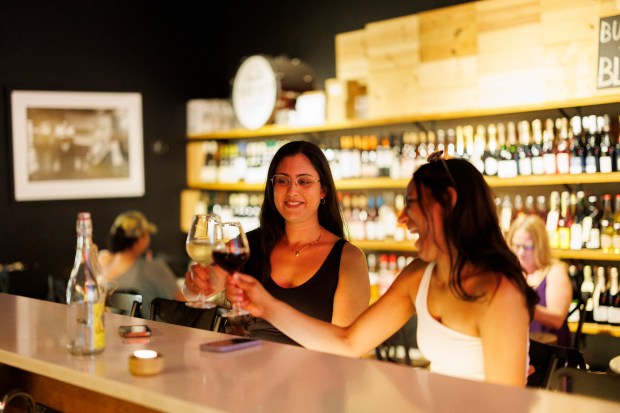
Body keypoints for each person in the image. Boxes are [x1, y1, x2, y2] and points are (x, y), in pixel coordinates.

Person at [228, 150, 539, 387]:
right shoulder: (419, 275)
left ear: (449, 202)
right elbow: (347, 342)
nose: (402, 219)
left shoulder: (499, 292)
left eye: (412, 203)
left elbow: (506, 406)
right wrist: (265, 305)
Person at [184, 140, 370, 345]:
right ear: (272, 187)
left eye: (304, 181)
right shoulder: (248, 244)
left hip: (316, 375)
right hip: (248, 371)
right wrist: (195, 284)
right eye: (283, 181)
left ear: (323, 190)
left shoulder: (348, 259)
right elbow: (198, 289)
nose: (292, 191)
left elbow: (345, 348)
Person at [99, 210, 183, 318]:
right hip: (153, 333)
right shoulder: (152, 268)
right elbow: (182, 304)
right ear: (141, 239)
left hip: (109, 332)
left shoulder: (100, 268)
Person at [506, 214, 572, 347]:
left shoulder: (554, 271)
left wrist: (523, 306)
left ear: (541, 246)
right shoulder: (512, 272)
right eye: (516, 246)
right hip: (518, 345)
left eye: (527, 247)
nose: (520, 253)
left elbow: (557, 319)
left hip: (549, 351)